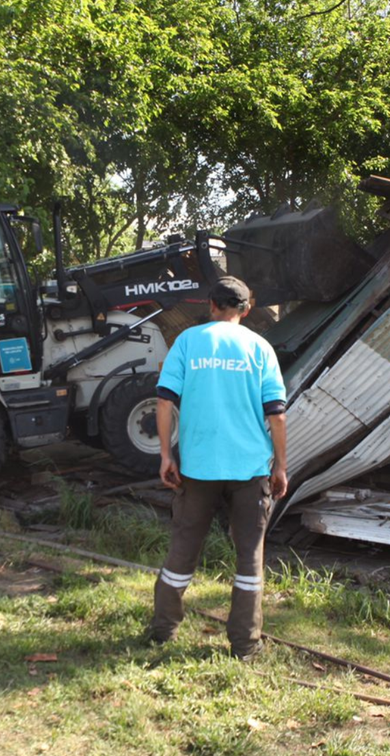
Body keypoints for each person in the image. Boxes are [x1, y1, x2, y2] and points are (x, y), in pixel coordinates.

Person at [147, 276, 287, 660]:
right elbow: (276, 415)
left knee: (183, 550)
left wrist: (165, 456)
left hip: (198, 467)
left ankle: (163, 629)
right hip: (250, 469)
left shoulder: (188, 343)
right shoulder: (260, 348)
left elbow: (163, 403)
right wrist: (281, 466)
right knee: (249, 559)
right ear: (246, 309)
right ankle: (246, 644)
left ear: (210, 305)